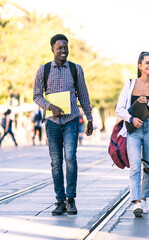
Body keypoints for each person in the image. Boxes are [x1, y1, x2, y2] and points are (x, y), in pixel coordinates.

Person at [33, 34, 93, 216]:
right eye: (59, 48)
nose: (63, 51)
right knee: (56, 162)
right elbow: (36, 95)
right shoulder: (43, 70)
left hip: (71, 121)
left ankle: (71, 199)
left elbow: (83, 94)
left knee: (70, 158)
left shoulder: (76, 69)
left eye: (65, 47)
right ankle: (60, 200)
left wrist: (90, 118)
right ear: (52, 49)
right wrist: (50, 107)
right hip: (52, 123)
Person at [115, 51, 149, 217]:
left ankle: (144, 197)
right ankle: (136, 202)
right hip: (134, 129)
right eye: (147, 63)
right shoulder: (131, 84)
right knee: (135, 167)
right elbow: (120, 109)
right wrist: (131, 119)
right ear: (140, 66)